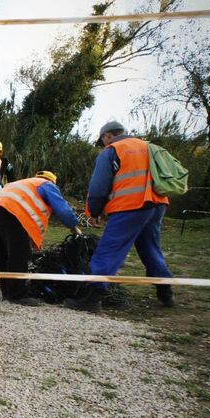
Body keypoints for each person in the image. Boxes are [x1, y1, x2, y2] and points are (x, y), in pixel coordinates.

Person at [64, 121, 174, 312]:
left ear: (107, 136)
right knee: (150, 247)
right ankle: (166, 292)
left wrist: (95, 212)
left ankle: (92, 297)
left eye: (103, 141)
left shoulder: (113, 150)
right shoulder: (149, 147)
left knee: (109, 249)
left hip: (130, 206)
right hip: (157, 204)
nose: (104, 144)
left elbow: (98, 186)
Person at [0, 171, 81, 305]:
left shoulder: (24, 183)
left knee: (4, 254)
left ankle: (7, 292)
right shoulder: (47, 185)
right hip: (11, 211)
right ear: (53, 181)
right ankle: (17, 295)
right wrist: (74, 227)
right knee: (19, 254)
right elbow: (63, 210)